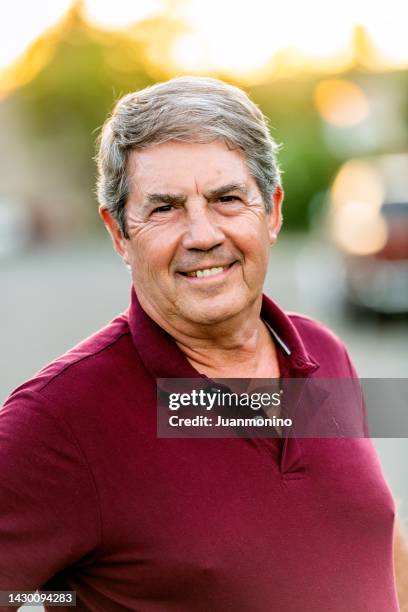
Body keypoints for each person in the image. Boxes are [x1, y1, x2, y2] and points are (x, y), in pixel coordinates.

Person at [0, 76, 406, 611]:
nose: (202, 235)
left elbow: (373, 532)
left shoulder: (323, 351)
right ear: (120, 232)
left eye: (227, 199)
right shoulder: (59, 419)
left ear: (274, 211)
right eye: (165, 208)